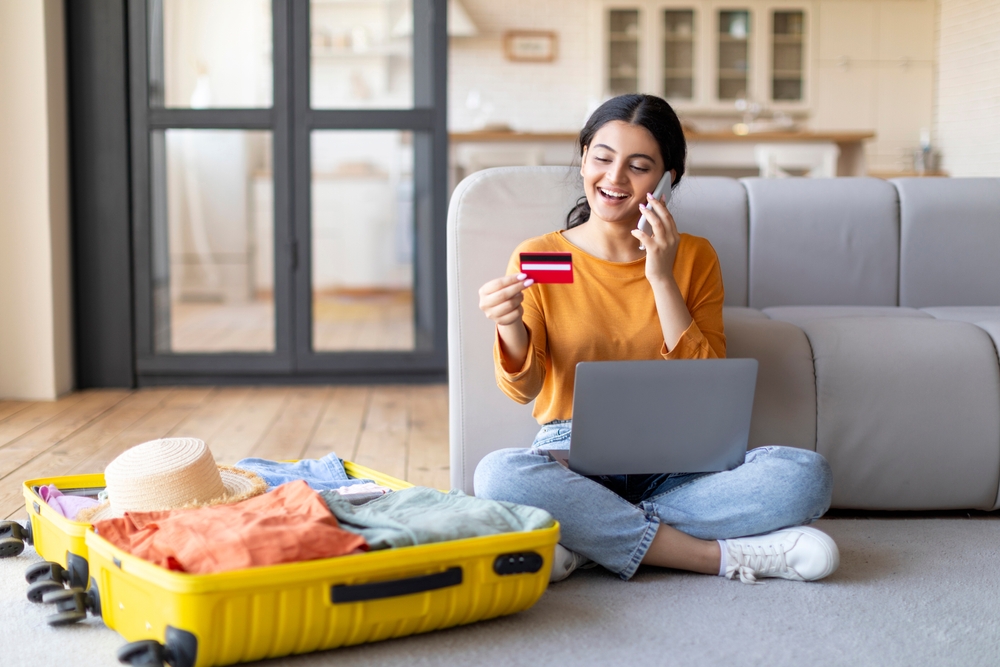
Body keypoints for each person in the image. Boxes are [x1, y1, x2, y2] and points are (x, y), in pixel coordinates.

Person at [473, 94, 839, 584]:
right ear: (583, 159)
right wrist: (507, 324)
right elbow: (523, 389)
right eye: (602, 158)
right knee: (497, 475)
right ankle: (712, 557)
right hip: (570, 452)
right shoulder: (545, 258)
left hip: (680, 460)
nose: (615, 178)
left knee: (806, 477)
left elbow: (708, 387)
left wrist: (661, 277)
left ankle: (587, 538)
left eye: (638, 166)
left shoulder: (694, 258)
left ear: (668, 179)